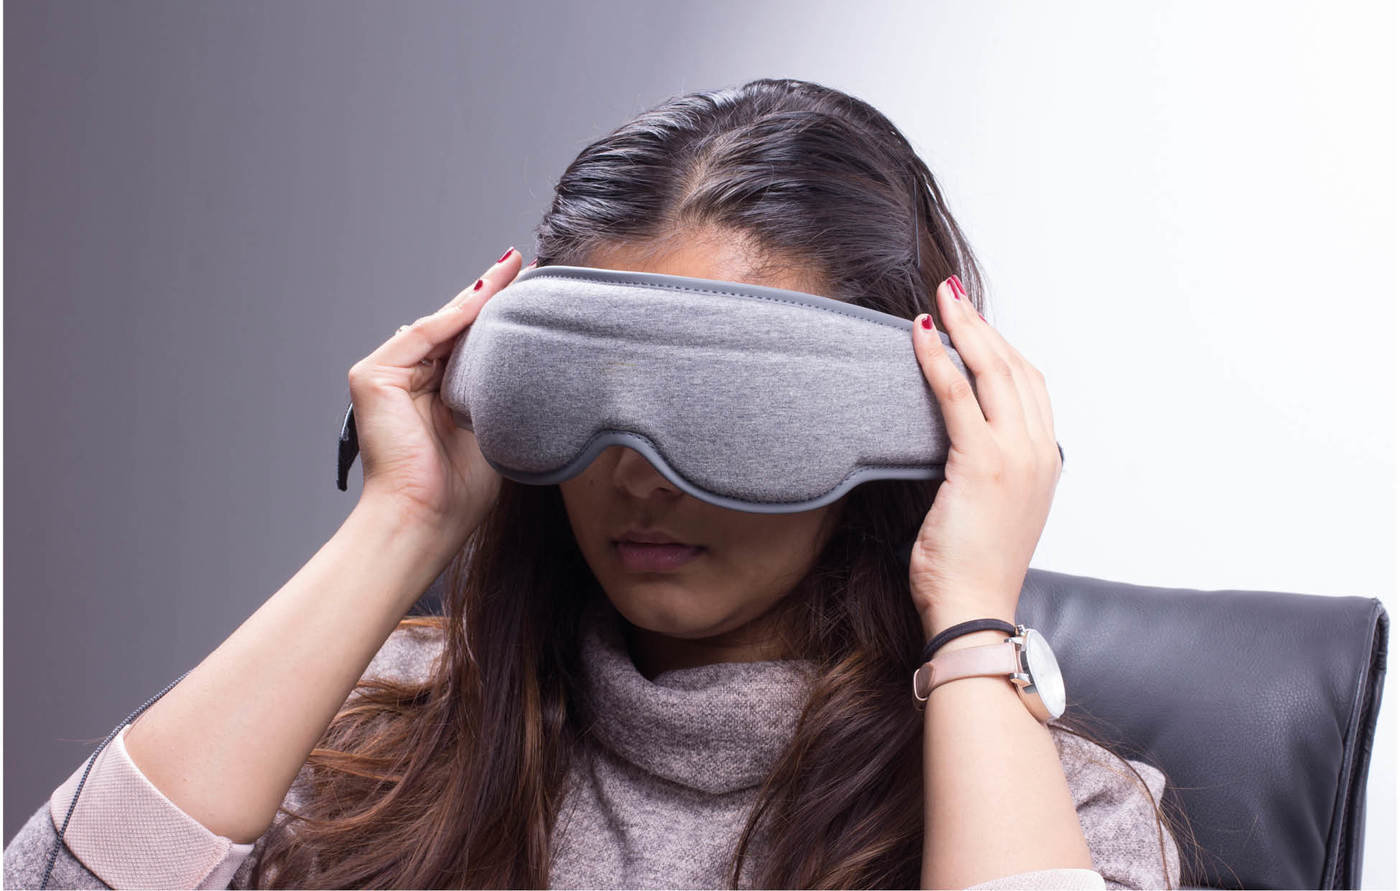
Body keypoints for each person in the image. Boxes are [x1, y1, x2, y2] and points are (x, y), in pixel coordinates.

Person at [4, 77, 1191, 890]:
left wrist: (974, 615)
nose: (635, 475)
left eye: (723, 409)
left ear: (913, 415)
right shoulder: (381, 728)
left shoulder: (1053, 810)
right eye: (589, 395)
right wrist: (400, 522)